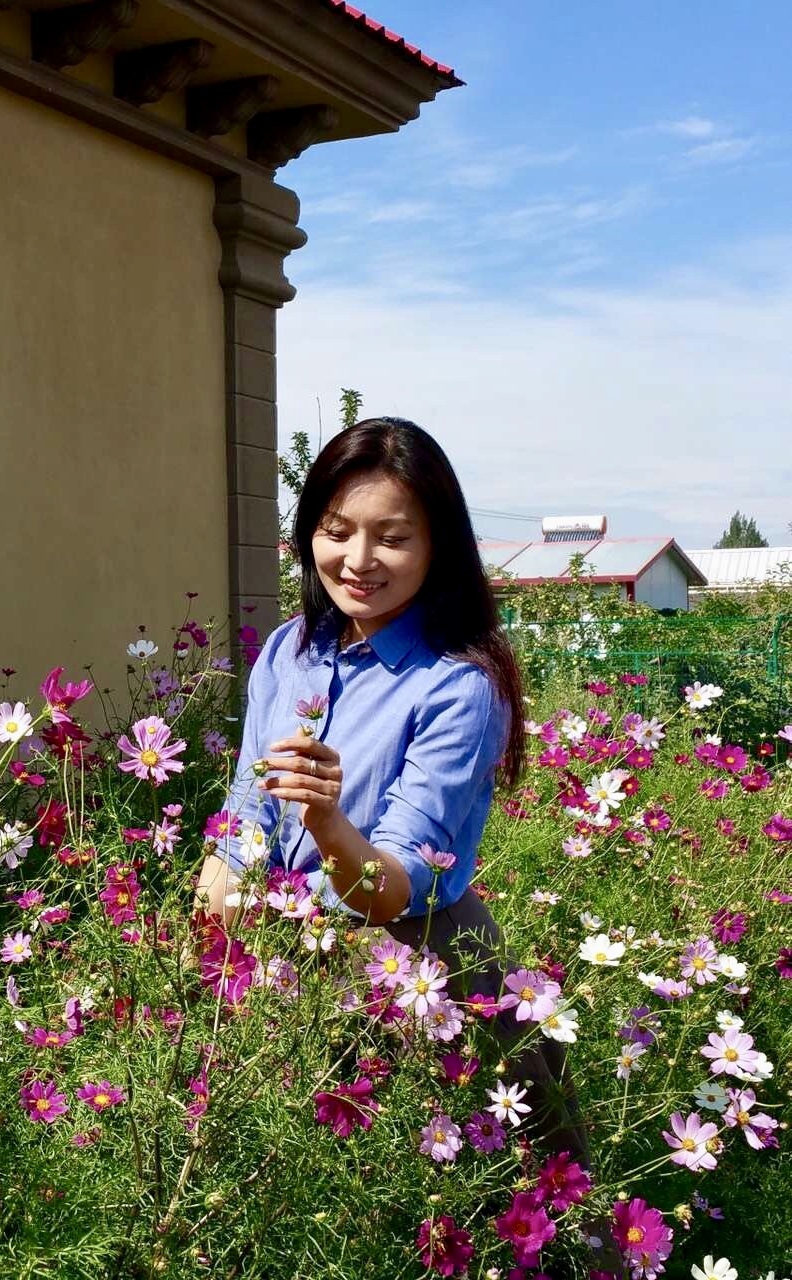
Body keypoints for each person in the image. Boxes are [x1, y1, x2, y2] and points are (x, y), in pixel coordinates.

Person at [195, 418, 623, 1274]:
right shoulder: (292, 650)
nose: (360, 559)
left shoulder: (458, 684)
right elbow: (248, 795)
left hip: (422, 968)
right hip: (288, 950)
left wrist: (324, 823)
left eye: (393, 537)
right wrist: (225, 868)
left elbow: (391, 888)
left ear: (438, 548)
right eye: (336, 530)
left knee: (477, 1215)